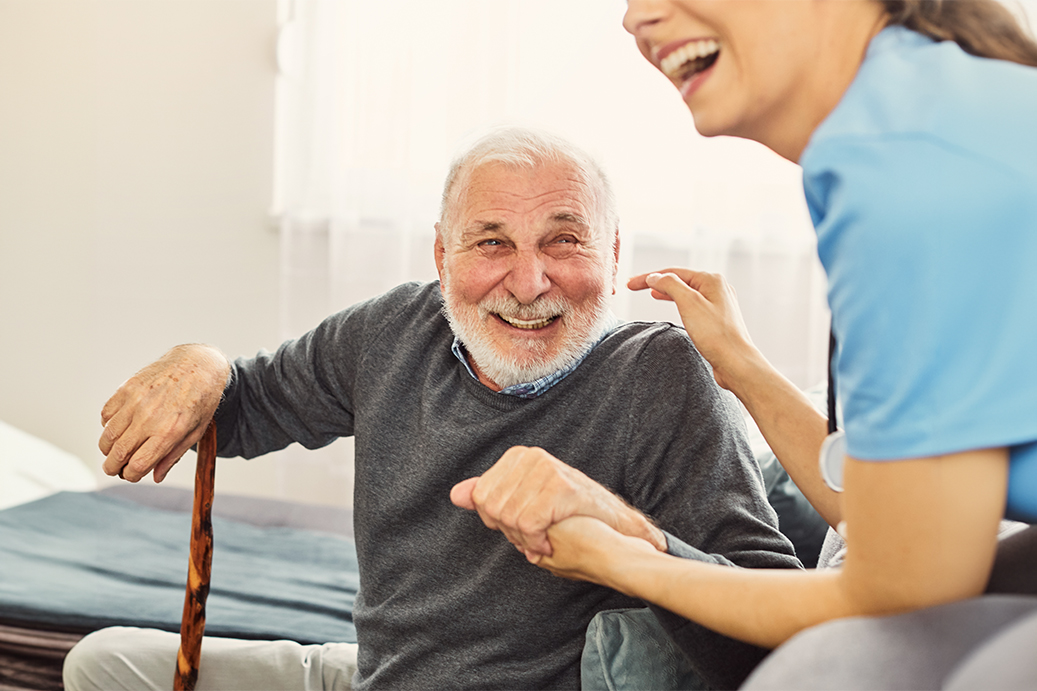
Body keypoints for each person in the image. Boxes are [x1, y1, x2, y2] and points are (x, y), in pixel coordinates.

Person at [62, 127, 801, 691]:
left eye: (562, 241)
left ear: (611, 256)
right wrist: (202, 360)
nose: (527, 279)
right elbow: (244, 405)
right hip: (372, 673)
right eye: (492, 242)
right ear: (442, 258)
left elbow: (773, 636)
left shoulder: (658, 375)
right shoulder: (391, 330)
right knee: (103, 663)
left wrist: (626, 533)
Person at [457, 1, 1037, 688]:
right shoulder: (936, 105)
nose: (635, 17)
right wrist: (739, 365)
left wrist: (622, 554)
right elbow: (905, 534)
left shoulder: (908, 161)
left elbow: (899, 591)